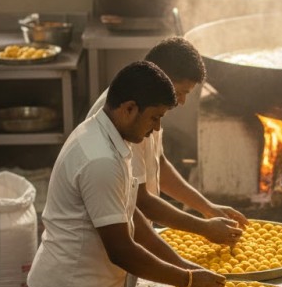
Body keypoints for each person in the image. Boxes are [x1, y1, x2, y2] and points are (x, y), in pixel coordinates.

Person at [28, 61, 226, 287]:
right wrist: (185, 280)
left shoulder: (112, 140)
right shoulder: (100, 161)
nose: (157, 128)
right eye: (154, 118)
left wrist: (185, 266)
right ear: (130, 108)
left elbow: (133, 216)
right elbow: (121, 250)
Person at [86, 36, 248, 248]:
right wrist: (204, 228)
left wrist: (207, 208)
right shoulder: (130, 115)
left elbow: (158, 164)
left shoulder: (149, 106)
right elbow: (141, 201)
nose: (181, 101)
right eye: (180, 92)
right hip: (102, 250)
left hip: (132, 238)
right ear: (161, 77)